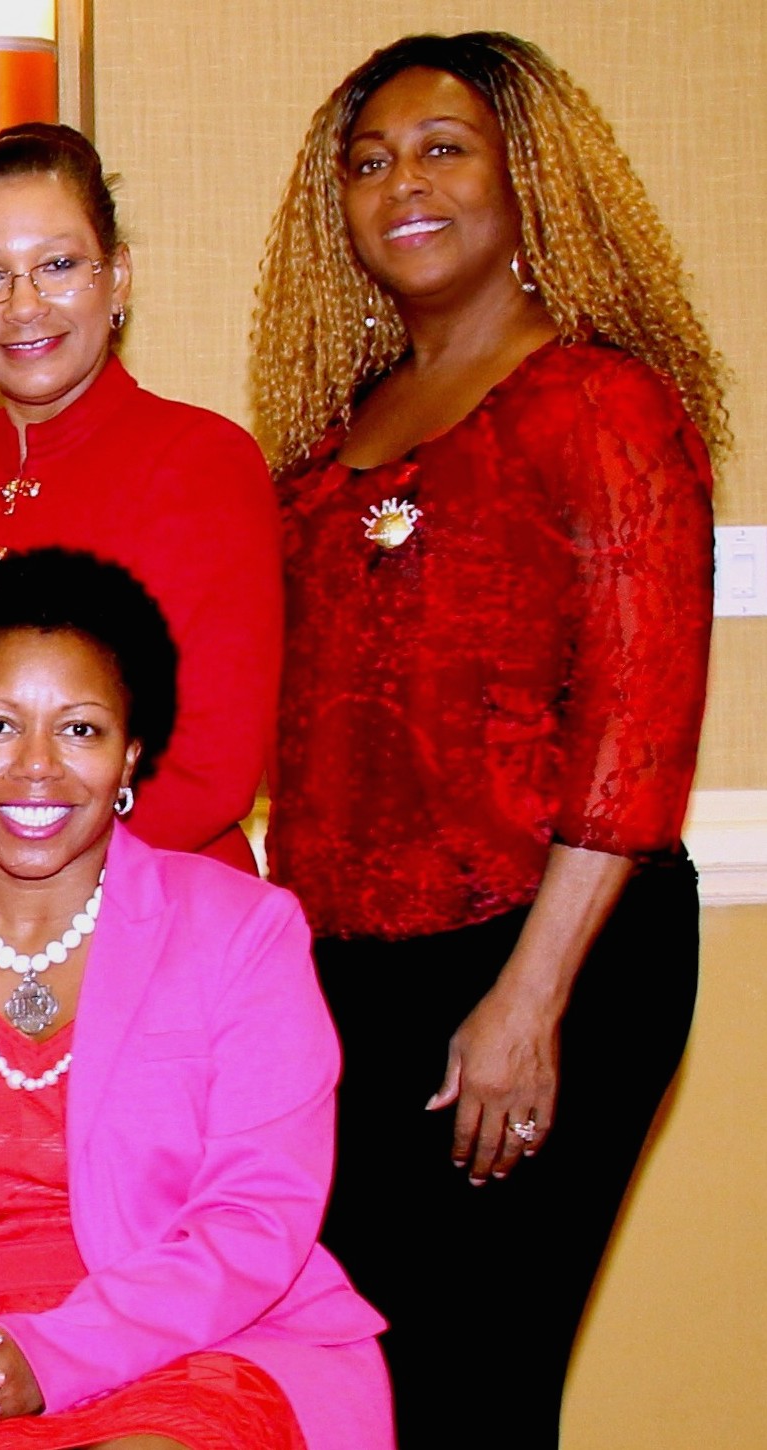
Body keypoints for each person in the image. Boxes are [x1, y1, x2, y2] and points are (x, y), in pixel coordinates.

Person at [247, 32, 722, 1447]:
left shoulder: (599, 402)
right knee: (360, 1385)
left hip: (543, 953)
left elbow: (639, 734)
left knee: (479, 1379)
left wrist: (528, 1001)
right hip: (347, 977)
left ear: (527, 181)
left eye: (443, 149)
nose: (402, 183)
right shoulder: (332, 438)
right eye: (368, 161)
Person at [0, 549, 390, 1450]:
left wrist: (49, 1356)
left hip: (202, 1346)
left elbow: (253, 1218)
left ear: (130, 751)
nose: (36, 767)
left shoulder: (242, 932)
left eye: (80, 730)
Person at [0, 124, 278, 915]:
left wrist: (10, 917)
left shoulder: (201, 461)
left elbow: (211, 767)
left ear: (118, 278)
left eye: (59, 266)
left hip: (152, 923)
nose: (22, 305)